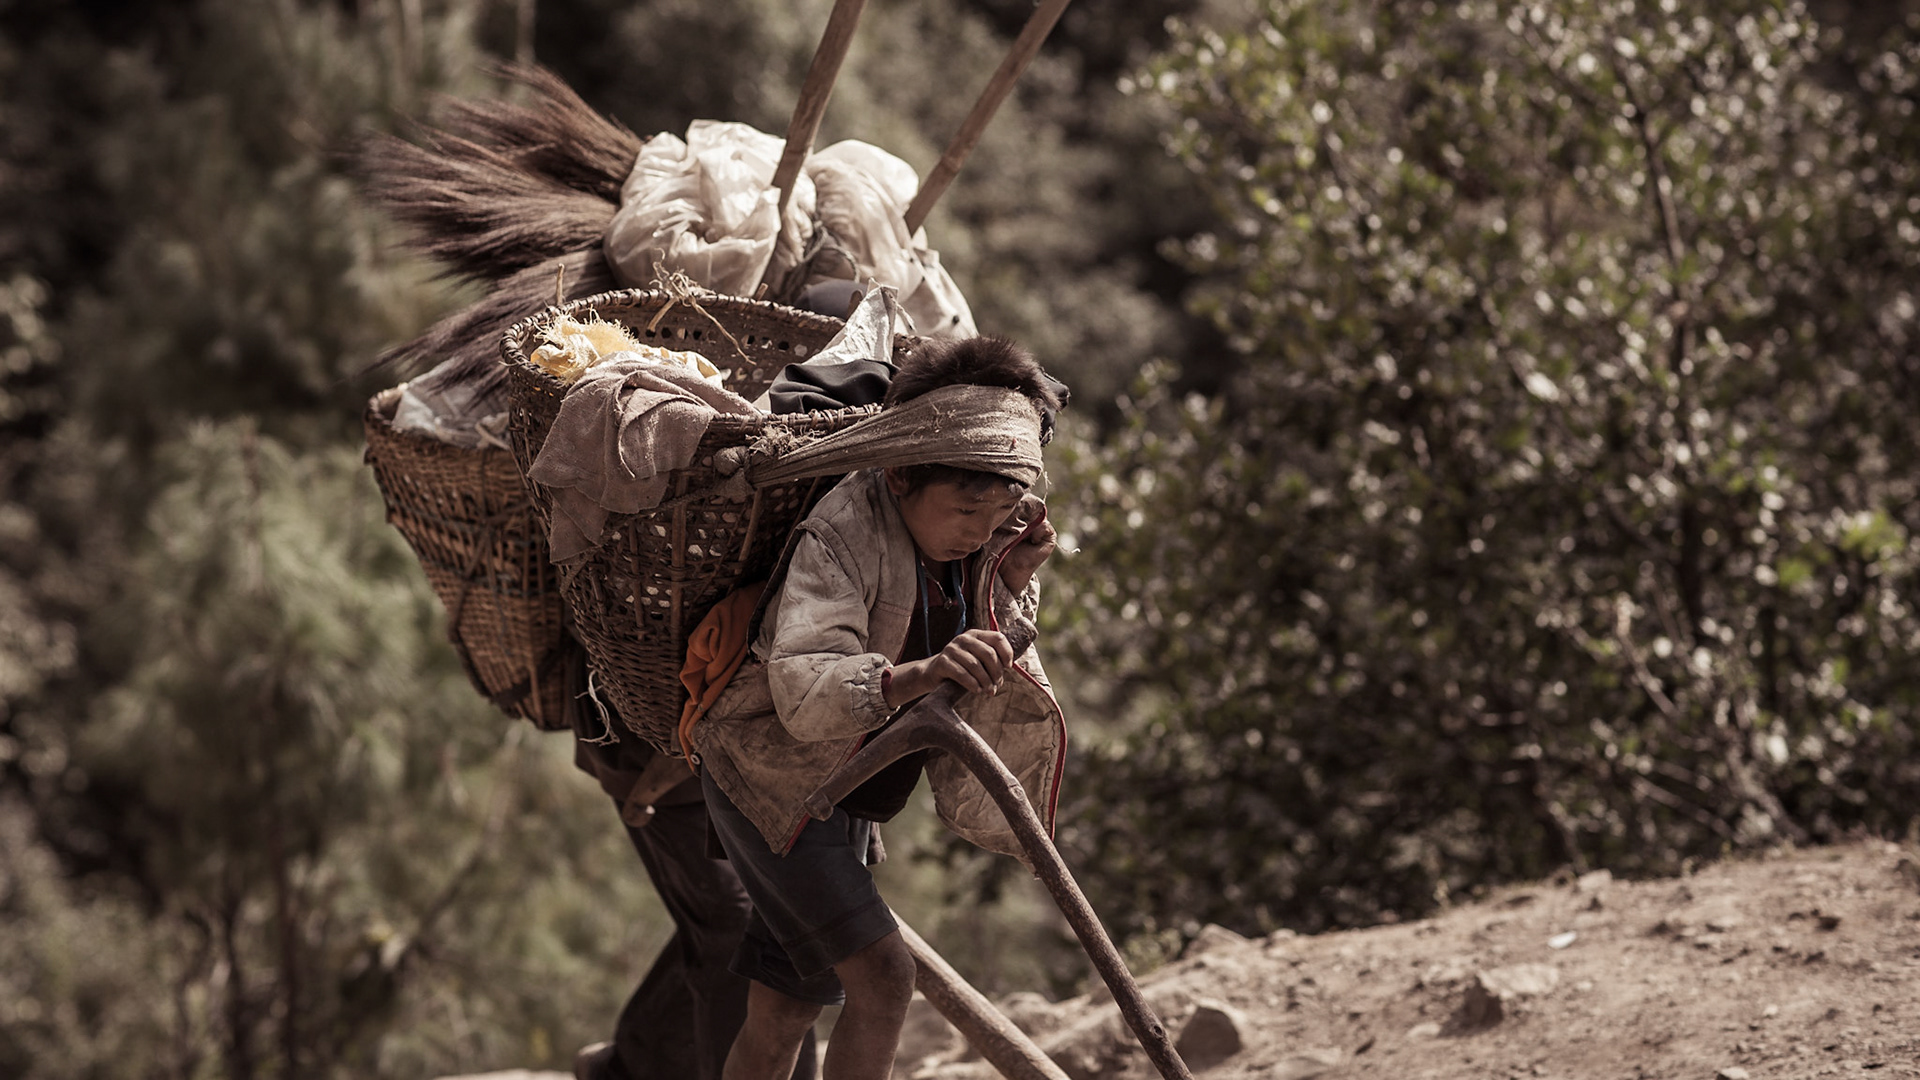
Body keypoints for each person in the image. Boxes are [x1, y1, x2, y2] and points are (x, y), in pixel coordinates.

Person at [687, 336, 1069, 1080]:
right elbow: (803, 691)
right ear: (899, 476)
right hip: (775, 783)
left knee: (786, 1010)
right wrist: (922, 673)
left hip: (846, 791)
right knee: (885, 980)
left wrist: (1010, 577)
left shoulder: (983, 540)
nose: (978, 531)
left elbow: (984, 640)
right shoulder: (842, 532)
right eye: (965, 510)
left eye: (998, 513)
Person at [565, 640, 818, 1080]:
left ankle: (633, 1062)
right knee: (732, 919)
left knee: (769, 919)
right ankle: (633, 1064)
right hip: (646, 727)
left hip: (759, 734)